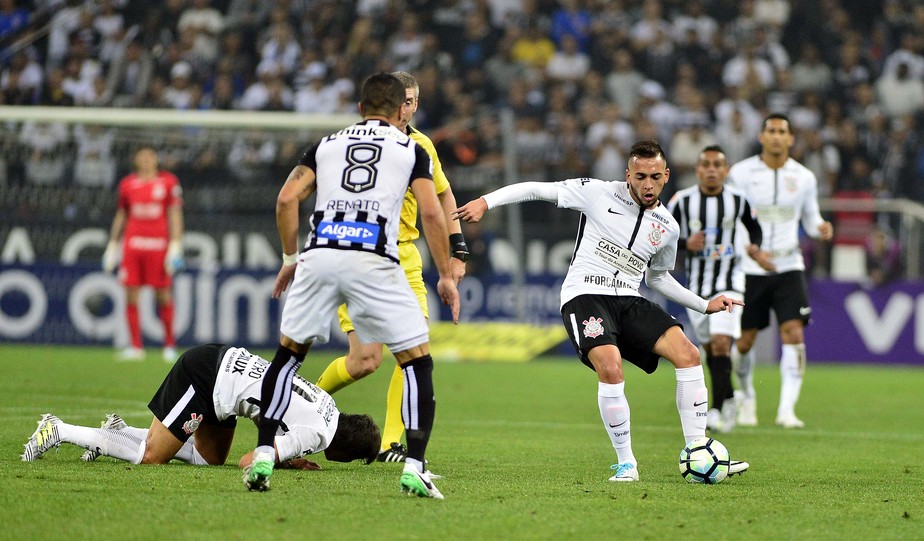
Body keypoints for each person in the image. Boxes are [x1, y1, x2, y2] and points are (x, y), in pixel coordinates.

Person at [453, 140, 749, 482]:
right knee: (610, 366)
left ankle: (698, 451)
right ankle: (627, 464)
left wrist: (703, 304)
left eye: (655, 177)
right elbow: (536, 189)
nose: (648, 184)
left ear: (666, 176)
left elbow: (657, 278)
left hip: (628, 298)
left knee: (689, 354)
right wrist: (485, 202)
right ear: (628, 175)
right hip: (586, 295)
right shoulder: (597, 193)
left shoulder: (668, 226)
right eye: (640, 176)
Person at [248, 73, 460, 497]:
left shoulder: (326, 145)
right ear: (400, 109)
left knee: (287, 359)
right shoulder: (411, 149)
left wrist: (290, 259)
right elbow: (432, 213)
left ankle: (265, 454)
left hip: (320, 253)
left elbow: (286, 199)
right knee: (417, 362)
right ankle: (414, 467)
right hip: (373, 257)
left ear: (361, 108)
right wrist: (445, 273)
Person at [314, 70, 467, 464]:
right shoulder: (355, 144)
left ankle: (392, 444)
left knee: (413, 349)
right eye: (403, 101)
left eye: (413, 101)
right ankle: (303, 400)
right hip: (359, 255)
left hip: (406, 258)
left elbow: (444, 197)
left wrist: (458, 249)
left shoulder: (421, 145)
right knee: (364, 361)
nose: (407, 109)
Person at [22, 344, 381, 470]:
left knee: (210, 458)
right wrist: (282, 456)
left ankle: (119, 432)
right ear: (345, 453)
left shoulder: (329, 405)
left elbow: (278, 412)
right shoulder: (318, 435)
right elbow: (250, 461)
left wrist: (288, 455)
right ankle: (59, 429)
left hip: (226, 371)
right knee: (152, 456)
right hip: (206, 377)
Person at [726, 113, 834, 429]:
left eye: (781, 131)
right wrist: (752, 251)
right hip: (749, 268)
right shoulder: (741, 173)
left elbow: (810, 218)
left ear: (790, 139)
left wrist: (821, 228)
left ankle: (787, 410)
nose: (776, 136)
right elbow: (734, 219)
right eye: (771, 131)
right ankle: (747, 396)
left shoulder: (804, 177)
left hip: (788, 266)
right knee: (744, 342)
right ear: (761, 137)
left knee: (794, 334)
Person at [667, 145, 775, 434]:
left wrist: (755, 246)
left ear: (726, 170)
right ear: (698, 170)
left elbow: (755, 227)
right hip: (697, 288)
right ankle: (729, 397)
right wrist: (685, 243)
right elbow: (660, 232)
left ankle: (715, 410)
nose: (712, 169)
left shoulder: (738, 200)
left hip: (730, 283)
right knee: (709, 351)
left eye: (717, 165)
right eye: (706, 164)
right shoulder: (681, 201)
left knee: (720, 343)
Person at [102, 146, 184, 362]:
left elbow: (175, 214)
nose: (146, 160)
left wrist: (176, 245)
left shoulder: (168, 182)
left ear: (156, 159)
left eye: (150, 156)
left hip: (158, 246)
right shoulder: (127, 184)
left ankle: (169, 346)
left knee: (163, 294)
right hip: (133, 245)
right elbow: (122, 214)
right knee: (131, 294)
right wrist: (112, 245)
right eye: (142, 156)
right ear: (136, 159)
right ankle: (136, 347)